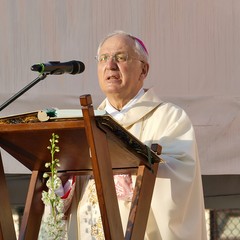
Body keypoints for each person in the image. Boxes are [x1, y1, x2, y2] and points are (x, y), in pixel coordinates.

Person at [41, 30, 207, 239]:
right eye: (103, 58)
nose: (110, 65)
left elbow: (180, 180)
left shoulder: (169, 118)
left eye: (121, 57)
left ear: (143, 70)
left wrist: (124, 176)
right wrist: (64, 181)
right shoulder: (85, 125)